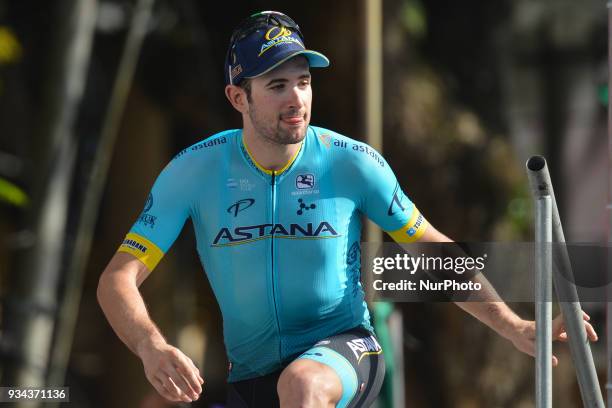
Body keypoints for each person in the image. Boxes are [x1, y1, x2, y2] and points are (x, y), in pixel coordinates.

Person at [96, 10, 598, 408]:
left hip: (345, 348)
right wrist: (150, 347)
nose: (296, 98)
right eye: (276, 86)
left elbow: (435, 253)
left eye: (303, 81)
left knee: (303, 385)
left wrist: (515, 326)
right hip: (250, 377)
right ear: (237, 96)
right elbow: (118, 279)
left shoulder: (353, 162)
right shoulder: (194, 171)